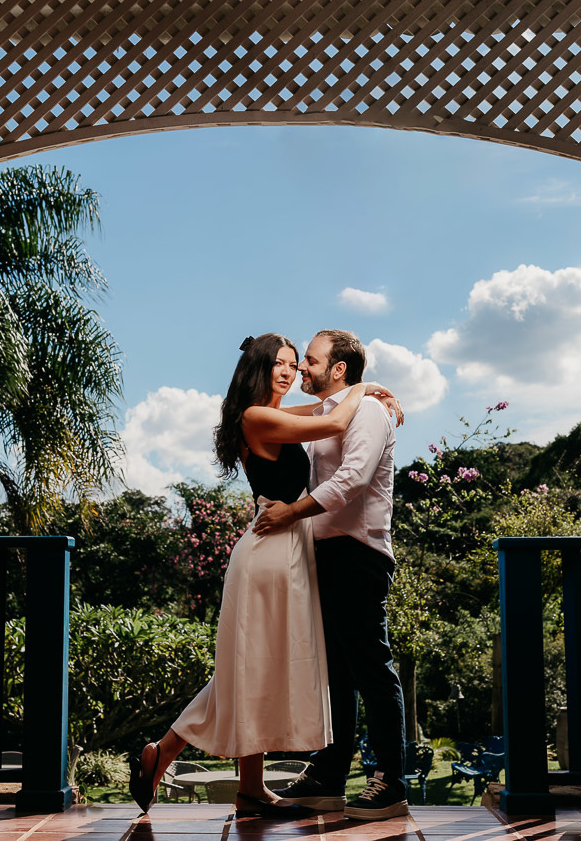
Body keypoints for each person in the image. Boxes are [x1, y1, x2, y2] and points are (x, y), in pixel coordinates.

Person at [129, 333, 402, 817]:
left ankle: (232, 779)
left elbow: (327, 414)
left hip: (295, 546)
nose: (292, 372)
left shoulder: (285, 413)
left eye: (298, 364)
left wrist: (361, 390)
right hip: (274, 548)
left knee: (255, 664)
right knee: (254, 664)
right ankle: (183, 758)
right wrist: (367, 386)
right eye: (280, 363)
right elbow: (336, 417)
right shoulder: (256, 416)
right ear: (256, 367)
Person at [255, 329, 407, 821]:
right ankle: (330, 773)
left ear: (338, 369)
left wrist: (291, 512)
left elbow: (353, 479)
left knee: (371, 667)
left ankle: (389, 779)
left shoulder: (369, 411)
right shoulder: (328, 412)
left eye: (312, 361)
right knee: (335, 673)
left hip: (359, 552)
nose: (302, 368)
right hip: (322, 553)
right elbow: (275, 420)